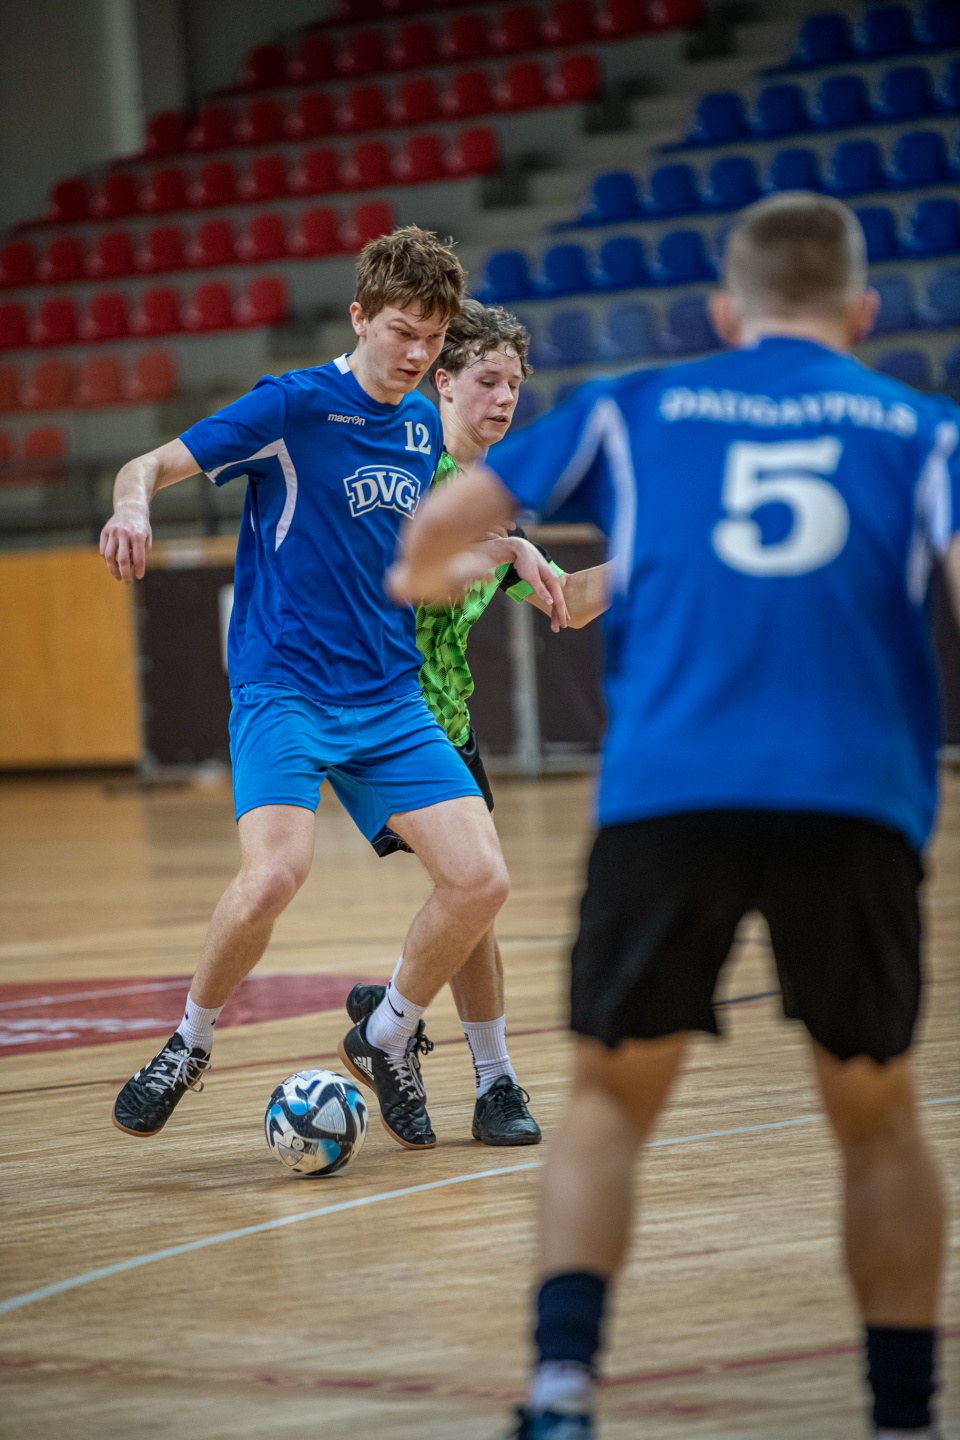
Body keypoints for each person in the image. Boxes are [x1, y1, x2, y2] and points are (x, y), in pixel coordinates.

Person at [389, 194, 960, 1438]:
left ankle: (560, 1390)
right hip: (852, 797)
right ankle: (905, 1416)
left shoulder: (638, 405)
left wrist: (427, 572)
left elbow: (439, 527)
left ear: (723, 314)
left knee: (607, 1104)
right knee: (877, 1120)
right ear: (865, 312)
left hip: (671, 796)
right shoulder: (925, 430)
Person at [99, 225, 566, 1153]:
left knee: (481, 880)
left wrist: (507, 550)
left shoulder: (424, 426)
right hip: (285, 689)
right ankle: (190, 1042)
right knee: (275, 875)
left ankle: (386, 1032)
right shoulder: (292, 405)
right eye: (401, 332)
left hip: (389, 697)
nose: (417, 355)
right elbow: (148, 464)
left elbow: (416, 555)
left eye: (432, 339)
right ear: (360, 317)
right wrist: (132, 505)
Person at [344, 299, 611, 1147]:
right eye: (487, 380)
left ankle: (443, 1052)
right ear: (444, 383)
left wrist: (660, 555)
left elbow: (568, 602)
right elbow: (406, 580)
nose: (503, 399)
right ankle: (399, 1036)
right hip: (379, 714)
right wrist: (493, 552)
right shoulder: (405, 471)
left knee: (474, 899)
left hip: (447, 720)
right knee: (474, 887)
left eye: (515, 385)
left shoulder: (490, 501)